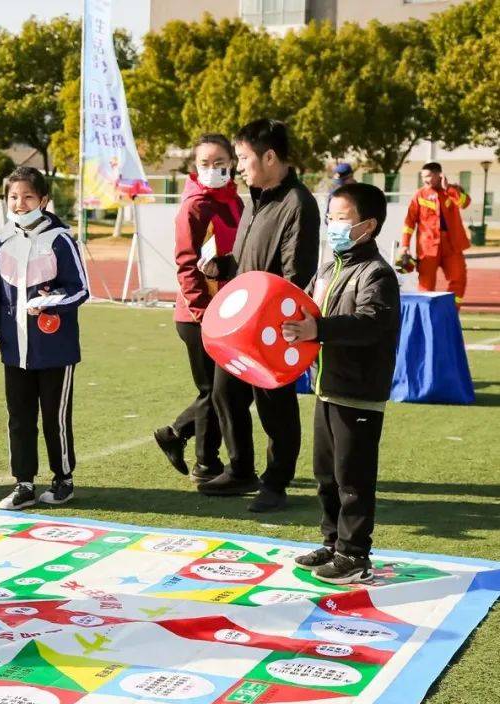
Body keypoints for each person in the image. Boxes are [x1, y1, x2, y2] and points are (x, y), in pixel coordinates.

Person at [199, 119, 320, 512]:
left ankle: (276, 481)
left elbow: (295, 275)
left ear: (270, 156)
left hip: (272, 326)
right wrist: (221, 265)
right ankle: (240, 469)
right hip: (239, 326)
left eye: (244, 157)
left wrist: (269, 315)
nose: (239, 166)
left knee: (275, 404)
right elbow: (245, 260)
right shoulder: (255, 199)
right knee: (224, 393)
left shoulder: (298, 204)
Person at [283, 183, 400, 584]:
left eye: (342, 218)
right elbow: (307, 305)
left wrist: (319, 328)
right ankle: (333, 542)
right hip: (327, 387)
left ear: (368, 226)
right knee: (327, 474)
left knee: (353, 478)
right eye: (330, 217)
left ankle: (355, 555)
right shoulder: (331, 266)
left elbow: (370, 323)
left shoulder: (377, 273)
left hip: (359, 393)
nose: (333, 225)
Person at [0, 166, 89, 510]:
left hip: (54, 349)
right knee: (19, 417)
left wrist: (48, 302)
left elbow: (80, 289)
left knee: (54, 418)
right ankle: (23, 483)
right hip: (16, 349)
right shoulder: (1, 240)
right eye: (13, 196)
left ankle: (63, 479)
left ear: (43, 199)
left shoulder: (60, 239)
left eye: (28, 196)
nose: (20, 203)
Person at [154, 134, 242, 485]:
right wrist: (203, 313)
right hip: (198, 314)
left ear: (232, 162)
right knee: (214, 391)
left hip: (228, 309)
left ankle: (176, 435)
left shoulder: (233, 199)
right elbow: (186, 263)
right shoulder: (195, 204)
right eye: (204, 163)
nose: (211, 169)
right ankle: (206, 464)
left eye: (218, 162)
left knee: (225, 389)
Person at [399, 162, 471, 306]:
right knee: (426, 285)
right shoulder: (419, 195)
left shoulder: (452, 191)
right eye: (423, 176)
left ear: (439, 175)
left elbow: (464, 203)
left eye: (428, 176)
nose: (425, 180)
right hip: (428, 248)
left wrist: (449, 189)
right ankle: (427, 314)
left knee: (459, 279)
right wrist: (405, 245)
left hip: (452, 245)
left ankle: (451, 311)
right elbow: (409, 222)